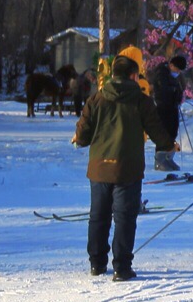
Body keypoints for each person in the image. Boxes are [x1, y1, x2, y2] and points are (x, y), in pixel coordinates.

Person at [72, 53, 171, 280]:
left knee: (99, 216)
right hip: (128, 167)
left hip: (99, 167)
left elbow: (83, 134)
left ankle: (96, 264)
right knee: (125, 217)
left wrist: (79, 138)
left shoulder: (96, 99)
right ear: (134, 76)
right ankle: (122, 267)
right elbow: (156, 129)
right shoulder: (142, 100)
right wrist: (168, 144)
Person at [146, 53, 187, 172]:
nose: (178, 72)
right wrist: (173, 92)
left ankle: (169, 158)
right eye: (177, 69)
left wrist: (178, 96)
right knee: (164, 132)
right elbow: (163, 91)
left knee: (173, 131)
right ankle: (160, 160)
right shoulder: (161, 73)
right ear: (172, 65)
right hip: (163, 107)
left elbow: (179, 88)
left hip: (172, 107)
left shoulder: (174, 76)